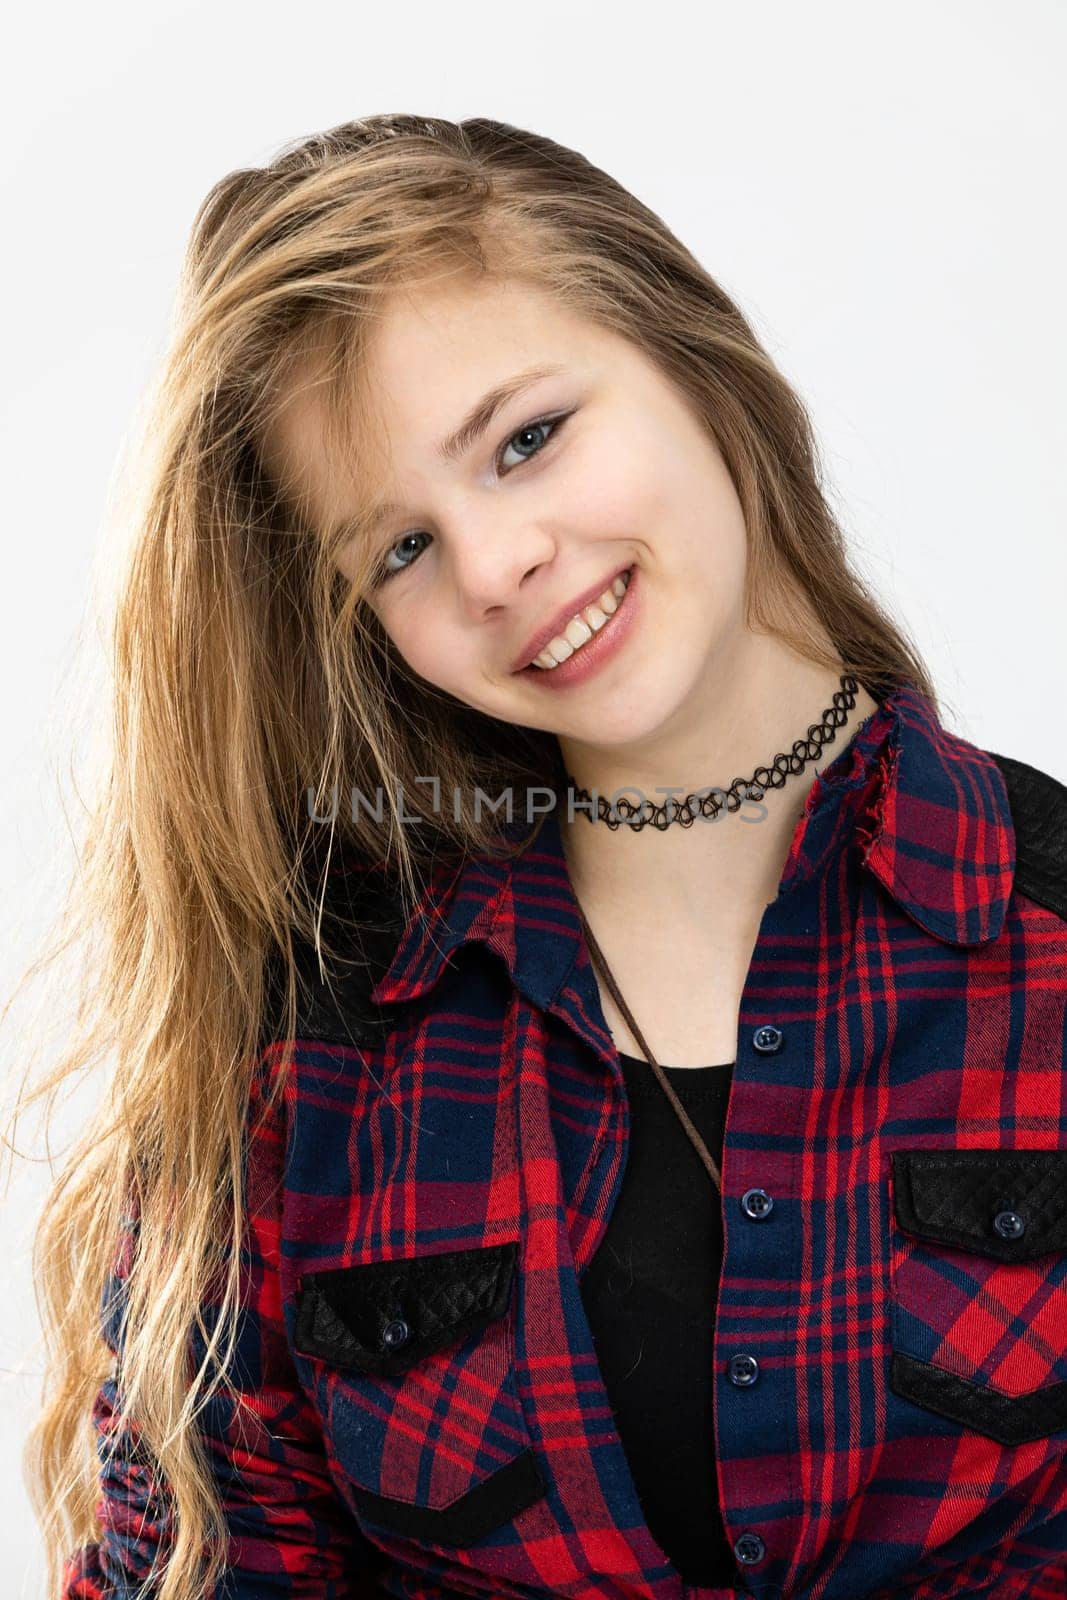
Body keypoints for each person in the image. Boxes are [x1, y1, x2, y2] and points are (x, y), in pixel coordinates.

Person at [10, 114, 1066, 1600]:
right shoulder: (305, 1066)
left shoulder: (1054, 947)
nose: (499, 564)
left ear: (692, 356)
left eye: (526, 439)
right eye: (400, 549)